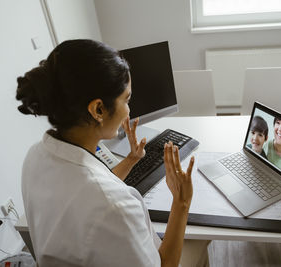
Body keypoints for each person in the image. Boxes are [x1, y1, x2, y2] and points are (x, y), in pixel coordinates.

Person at [16, 39, 208, 267]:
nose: (129, 110)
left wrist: (131, 160)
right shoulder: (115, 206)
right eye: (126, 99)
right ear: (98, 109)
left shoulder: (35, 157)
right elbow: (164, 264)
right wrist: (182, 201)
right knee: (202, 237)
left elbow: (84, 193)